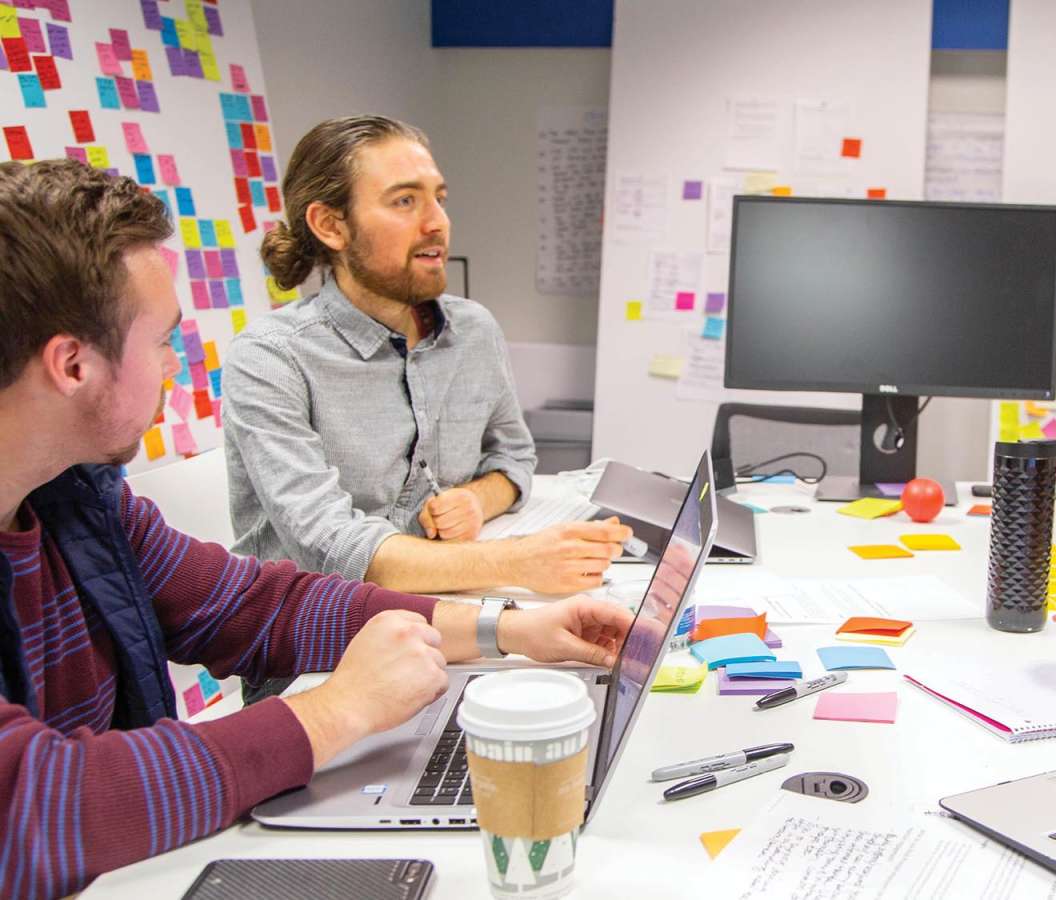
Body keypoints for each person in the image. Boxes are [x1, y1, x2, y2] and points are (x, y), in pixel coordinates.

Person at [0, 159, 635, 896]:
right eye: (163, 342)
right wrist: (338, 709)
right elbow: (31, 808)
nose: (175, 367)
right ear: (72, 365)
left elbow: (253, 605)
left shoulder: (76, 501)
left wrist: (509, 628)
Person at [224, 115, 628, 597]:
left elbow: (514, 456)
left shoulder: (473, 331)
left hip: (443, 607)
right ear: (331, 226)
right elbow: (330, 547)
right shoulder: (271, 358)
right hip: (317, 644)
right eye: (405, 201)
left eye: (439, 197)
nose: (437, 222)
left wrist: (478, 499)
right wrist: (516, 560)